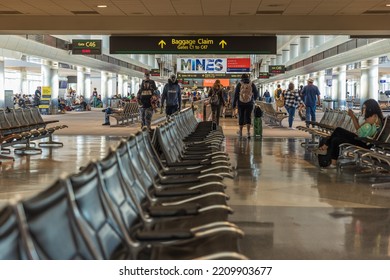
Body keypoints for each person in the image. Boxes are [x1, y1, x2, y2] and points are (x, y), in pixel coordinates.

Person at [315, 99, 383, 168]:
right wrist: (353, 116)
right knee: (336, 139)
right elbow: (360, 128)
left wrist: (352, 116)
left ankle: (325, 146)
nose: (364, 109)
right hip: (361, 139)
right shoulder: (372, 117)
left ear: (370, 108)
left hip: (364, 142)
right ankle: (333, 164)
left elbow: (359, 130)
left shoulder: (373, 117)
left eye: (365, 107)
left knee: (338, 130)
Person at [233, 73, 259, 139]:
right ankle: (248, 133)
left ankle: (241, 132)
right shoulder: (252, 84)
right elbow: (256, 93)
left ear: (241, 78)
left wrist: (234, 103)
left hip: (240, 103)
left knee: (241, 116)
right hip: (249, 103)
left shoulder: (239, 84)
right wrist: (253, 99)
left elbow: (236, 94)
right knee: (248, 117)